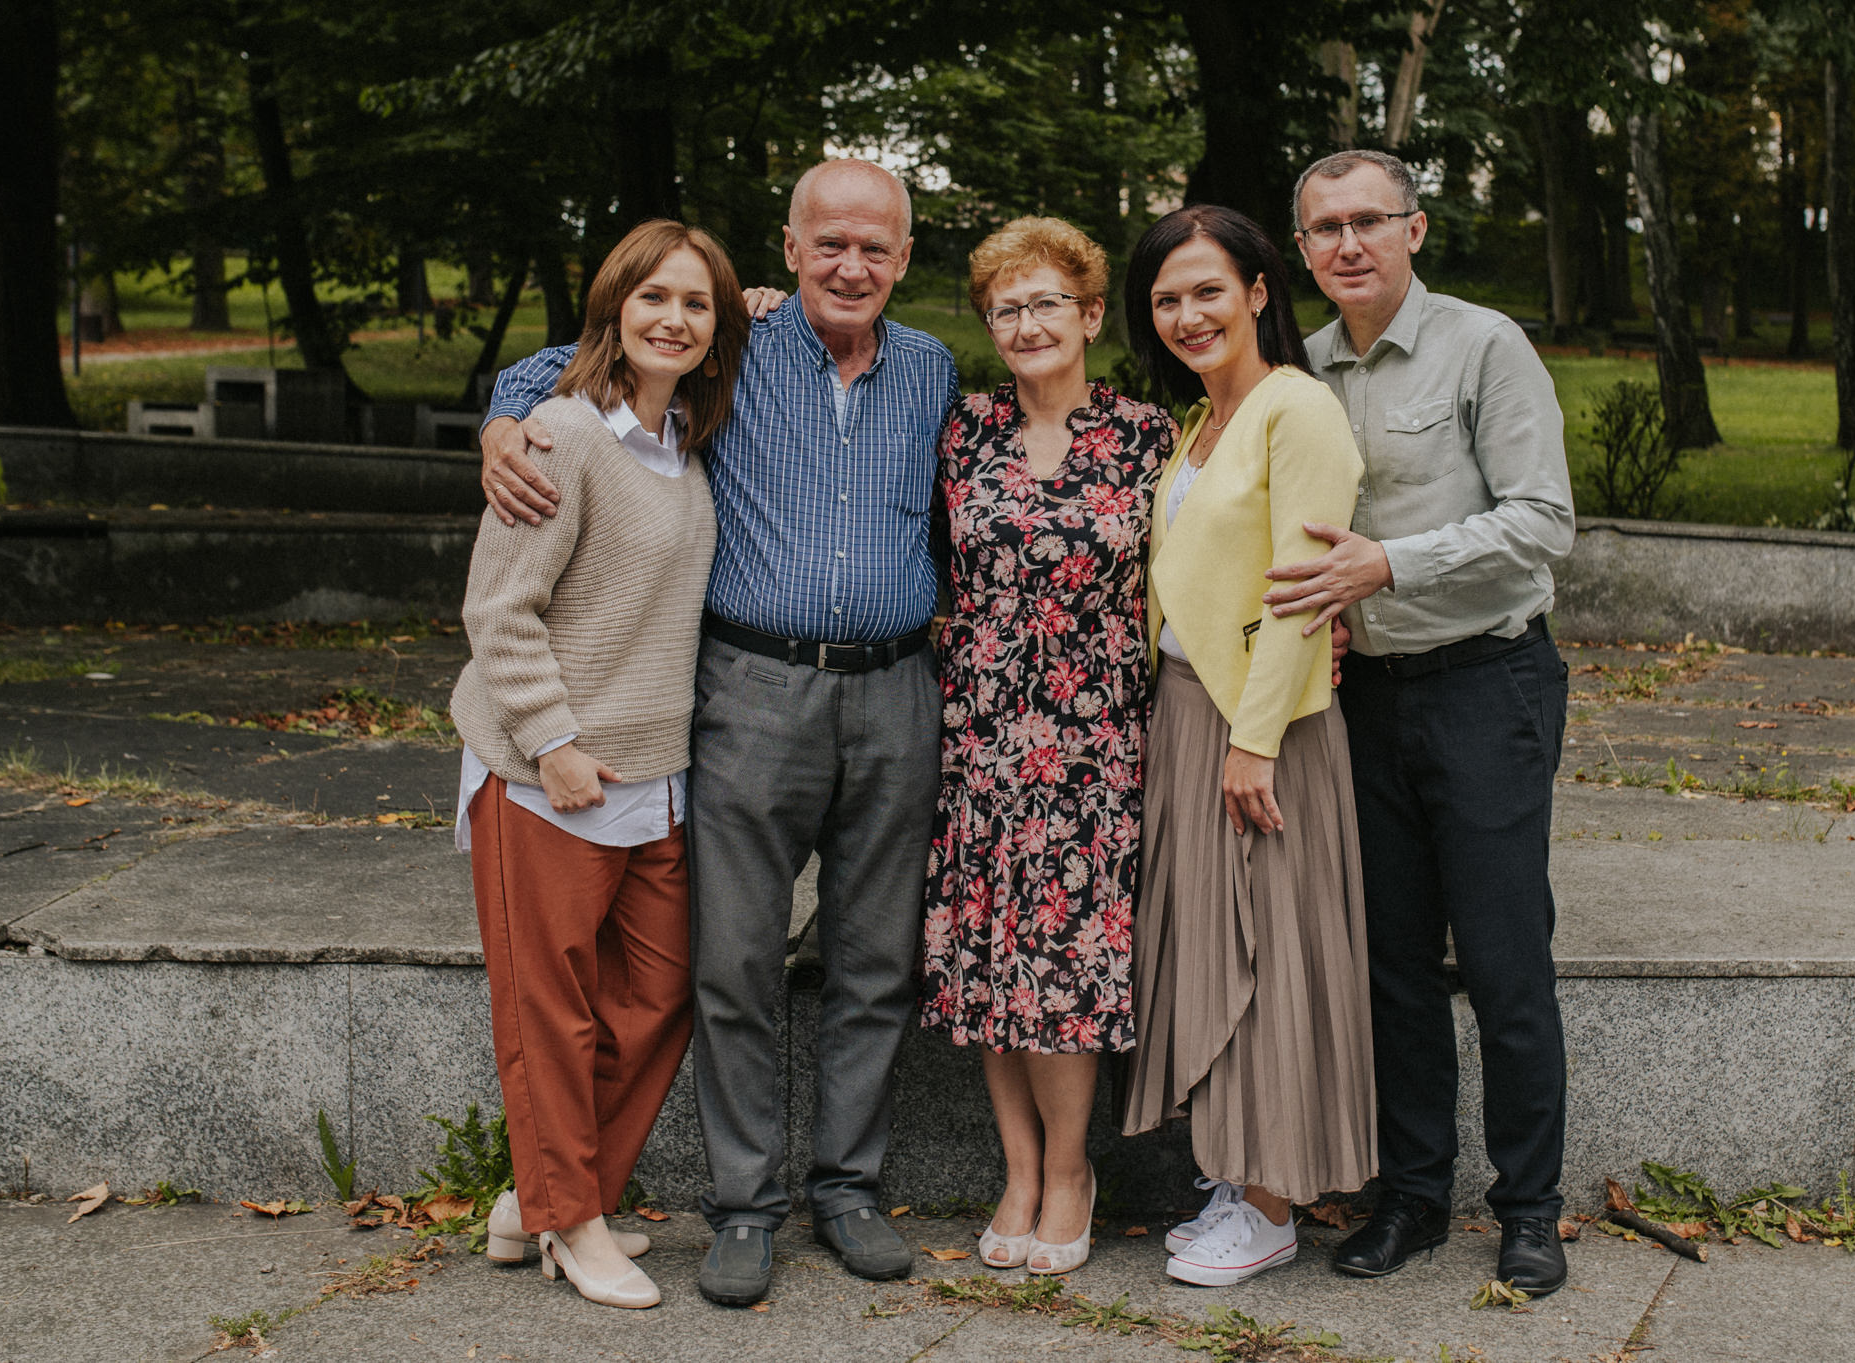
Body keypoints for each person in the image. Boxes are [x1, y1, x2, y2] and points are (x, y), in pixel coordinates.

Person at [478, 160, 959, 1307]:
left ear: (902, 258)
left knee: (875, 957)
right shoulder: (732, 347)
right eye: (827, 244)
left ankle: (846, 1187)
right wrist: (503, 419)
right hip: (751, 693)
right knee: (731, 962)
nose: (852, 266)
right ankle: (743, 1204)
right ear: (786, 252)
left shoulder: (932, 368)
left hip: (897, 693)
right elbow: (582, 355)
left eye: (875, 248)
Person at [1263, 149, 1576, 1295]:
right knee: (1389, 965)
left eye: (1367, 222)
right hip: (1360, 701)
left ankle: (1528, 1208)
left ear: (1414, 228)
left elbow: (1543, 521)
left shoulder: (1481, 346)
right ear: (1298, 250)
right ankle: (1412, 1198)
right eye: (1323, 229)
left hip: (1486, 685)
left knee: (1502, 964)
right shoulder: (1295, 371)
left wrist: (1388, 563)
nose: (1346, 245)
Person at [452, 219, 747, 1310]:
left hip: (652, 772)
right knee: (551, 1010)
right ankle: (572, 1220)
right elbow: (499, 606)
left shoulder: (682, 443)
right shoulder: (561, 436)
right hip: (547, 774)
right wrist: (553, 743)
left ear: (716, 333)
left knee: (659, 995)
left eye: (697, 305)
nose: (673, 318)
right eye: (653, 298)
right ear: (614, 311)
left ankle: (547, 1187)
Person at [1119, 204, 1374, 1289]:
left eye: (1205, 290)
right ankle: (1231, 1173)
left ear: (1259, 291)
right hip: (1185, 710)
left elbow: (1299, 597)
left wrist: (1256, 741)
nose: (1185, 314)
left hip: (1259, 726)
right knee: (1213, 942)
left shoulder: (1294, 408)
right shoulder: (1195, 423)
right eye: (1165, 298)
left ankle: (1271, 1200)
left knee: (1266, 948)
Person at [917, 217, 1173, 1276]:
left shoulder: (1148, 437)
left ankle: (1070, 1171)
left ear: (1088, 316)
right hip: (980, 736)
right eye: (1004, 307)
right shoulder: (961, 431)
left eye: (1044, 304)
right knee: (989, 961)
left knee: (1063, 967)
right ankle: (1015, 1169)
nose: (1024, 323)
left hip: (1093, 743)